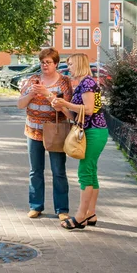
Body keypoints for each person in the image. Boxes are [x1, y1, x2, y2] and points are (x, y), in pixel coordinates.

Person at [51, 53, 108, 230]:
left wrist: (66, 104)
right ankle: (91, 213)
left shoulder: (87, 83)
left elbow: (89, 110)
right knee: (91, 172)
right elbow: (77, 115)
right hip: (91, 131)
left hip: (93, 132)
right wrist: (61, 107)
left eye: (70, 64)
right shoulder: (83, 84)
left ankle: (81, 217)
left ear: (79, 64)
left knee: (85, 172)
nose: (69, 68)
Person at [17, 48, 74, 221]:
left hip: (56, 132)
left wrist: (48, 95)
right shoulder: (32, 80)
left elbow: (68, 111)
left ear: (56, 64)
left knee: (58, 171)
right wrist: (32, 93)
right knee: (35, 171)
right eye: (42, 62)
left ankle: (62, 209)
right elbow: (20, 104)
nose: (45, 65)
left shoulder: (64, 82)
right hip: (33, 131)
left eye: (48, 62)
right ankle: (36, 206)